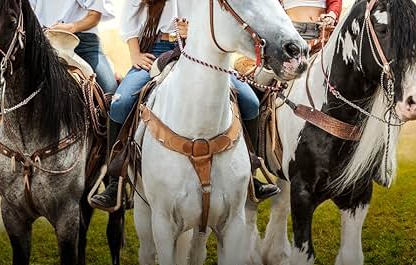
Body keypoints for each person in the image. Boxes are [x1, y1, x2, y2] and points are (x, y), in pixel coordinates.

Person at [90, 0, 279, 210]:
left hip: (200, 49)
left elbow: (221, 20)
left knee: (249, 101)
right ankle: (116, 181)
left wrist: (195, 31)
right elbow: (129, 20)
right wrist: (135, 54)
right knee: (120, 103)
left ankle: (251, 175)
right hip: (155, 49)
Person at [0, 0, 118, 191]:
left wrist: (72, 26)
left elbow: (95, 15)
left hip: (83, 43)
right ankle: (0, 166)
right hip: (40, 43)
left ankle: (113, 174)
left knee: (109, 93)